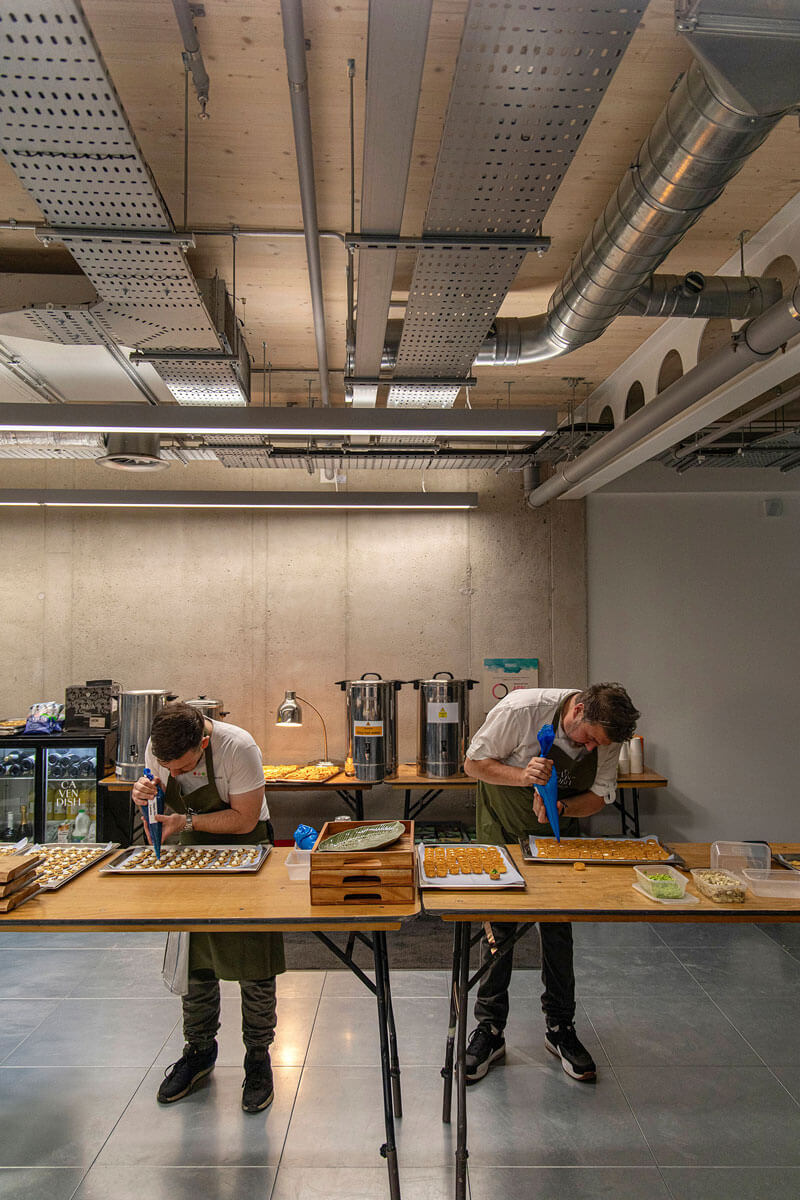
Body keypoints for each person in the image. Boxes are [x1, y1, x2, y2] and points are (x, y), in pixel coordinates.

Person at [462, 683, 640, 1084]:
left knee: (559, 928)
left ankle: (560, 1028)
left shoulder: (605, 735)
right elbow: (474, 764)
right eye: (590, 739)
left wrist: (562, 806)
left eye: (601, 745)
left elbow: (599, 795)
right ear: (577, 711)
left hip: (556, 837)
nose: (594, 749)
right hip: (503, 829)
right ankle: (490, 1030)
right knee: (498, 929)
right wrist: (522, 775)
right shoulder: (522, 710)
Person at [131, 702, 284, 1112]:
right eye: (169, 767)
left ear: (203, 742)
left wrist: (187, 822)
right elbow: (157, 818)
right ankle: (199, 1050)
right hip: (191, 855)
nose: (175, 774)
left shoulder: (239, 748)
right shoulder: (158, 750)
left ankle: (257, 1056)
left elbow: (246, 819)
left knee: (254, 963)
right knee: (194, 960)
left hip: (247, 852)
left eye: (182, 767)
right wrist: (143, 799)